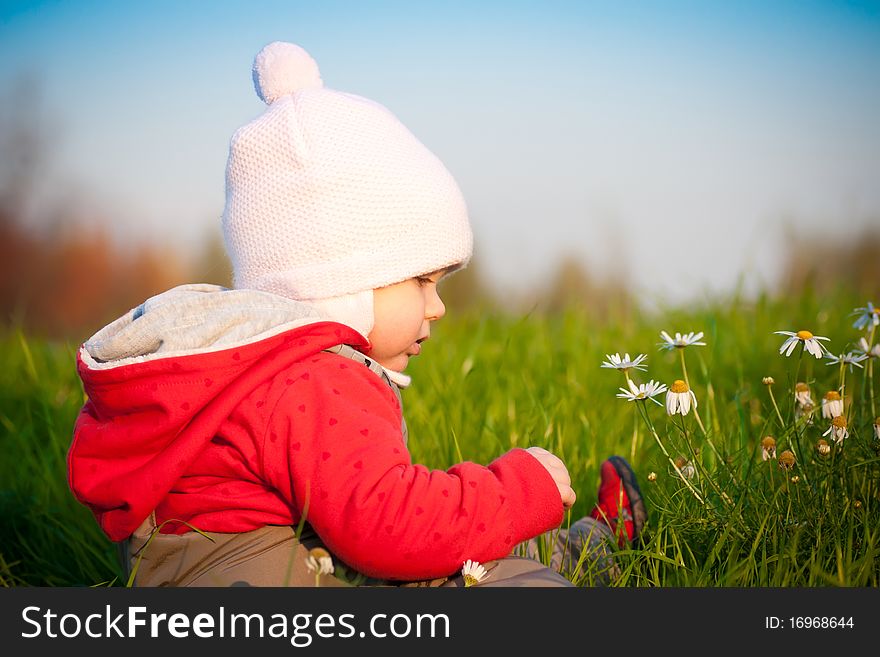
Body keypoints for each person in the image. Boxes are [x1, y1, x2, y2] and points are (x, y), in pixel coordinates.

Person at [67, 42, 646, 588]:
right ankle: (585, 555)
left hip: (224, 569)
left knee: (452, 560)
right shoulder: (317, 379)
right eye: (422, 280)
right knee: (492, 581)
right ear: (339, 282)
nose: (438, 307)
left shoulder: (255, 366)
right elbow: (392, 528)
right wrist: (519, 489)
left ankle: (584, 547)